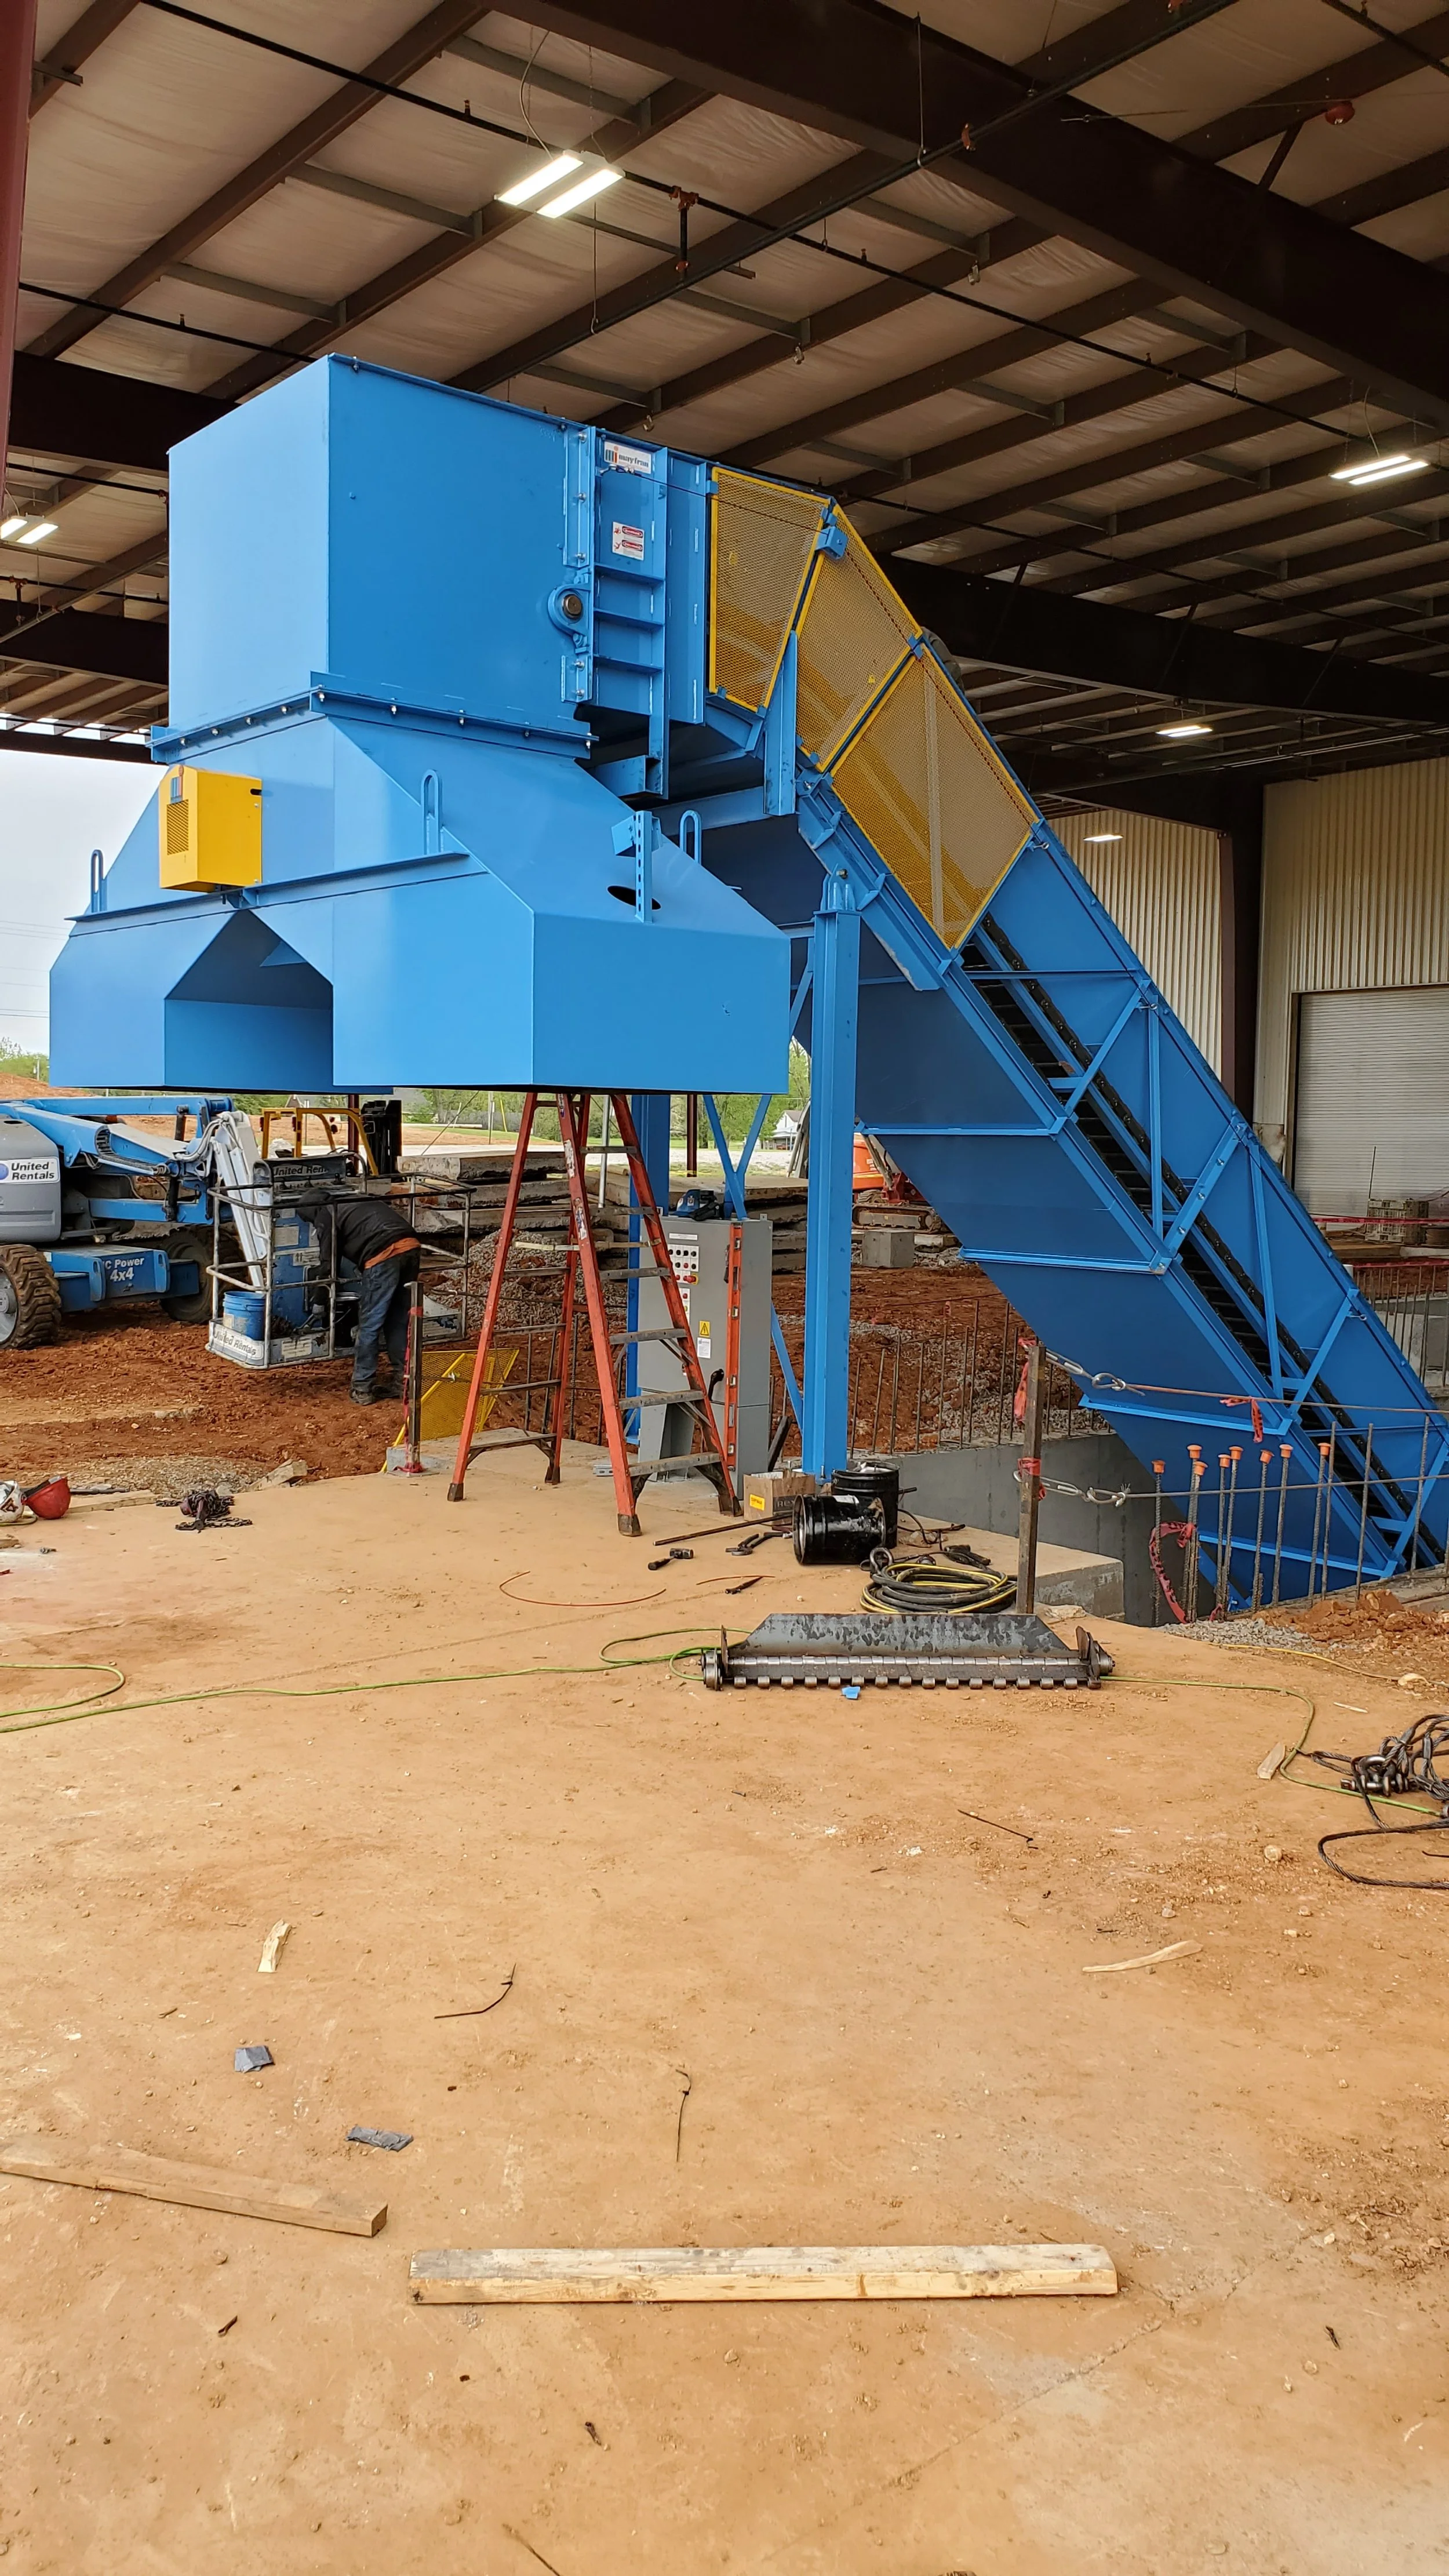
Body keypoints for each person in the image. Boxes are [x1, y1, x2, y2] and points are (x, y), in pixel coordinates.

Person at [305, 1193, 422, 1404]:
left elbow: (328, 1265)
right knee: (398, 1321)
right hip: (411, 1246)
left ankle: (362, 1388)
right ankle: (404, 1383)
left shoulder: (325, 1213)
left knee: (370, 1324)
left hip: (382, 1255)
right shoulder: (352, 1201)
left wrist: (319, 1301)